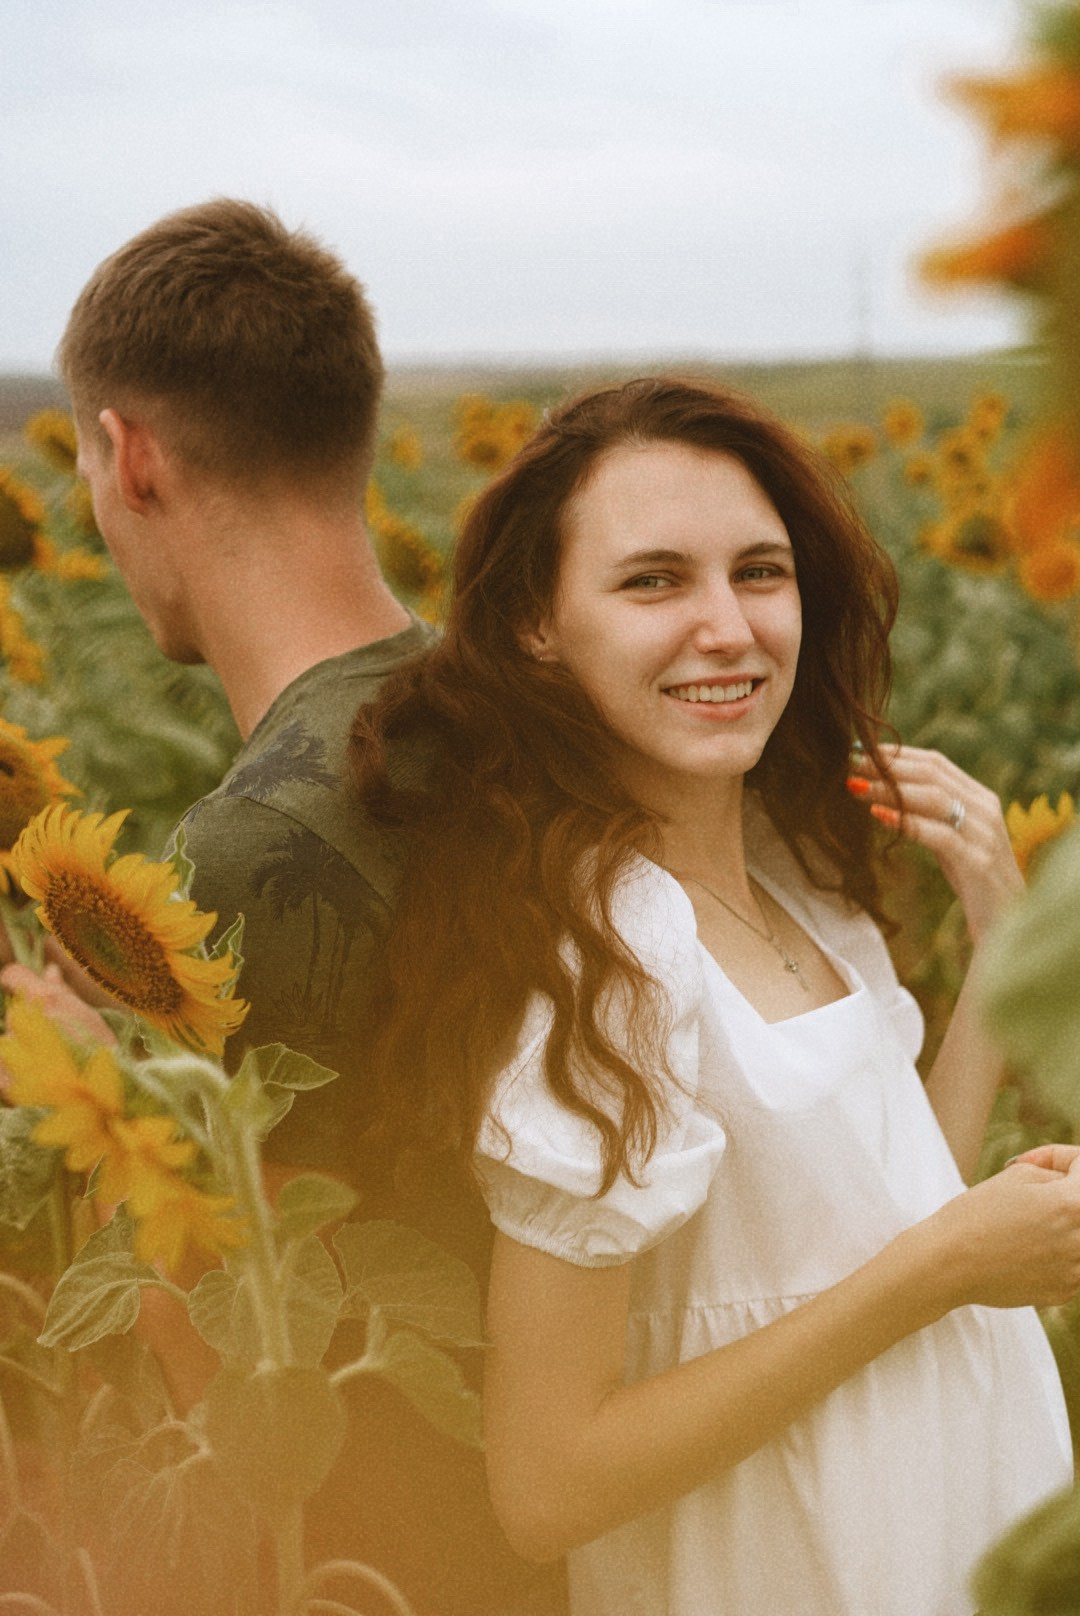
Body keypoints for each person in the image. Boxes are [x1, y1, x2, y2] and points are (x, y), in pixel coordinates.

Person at [350, 375, 1077, 1616]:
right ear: (537, 621)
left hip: (930, 1541)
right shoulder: (608, 954)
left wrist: (1001, 939)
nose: (729, 626)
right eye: (653, 581)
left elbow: (883, 1207)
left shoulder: (798, 881)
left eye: (759, 570)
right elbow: (548, 1481)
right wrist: (946, 1266)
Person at [48, 198, 561, 1616]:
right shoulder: (524, 722)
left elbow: (229, 1328)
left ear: (131, 454)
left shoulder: (260, 841)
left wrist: (109, 1086)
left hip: (389, 1560)